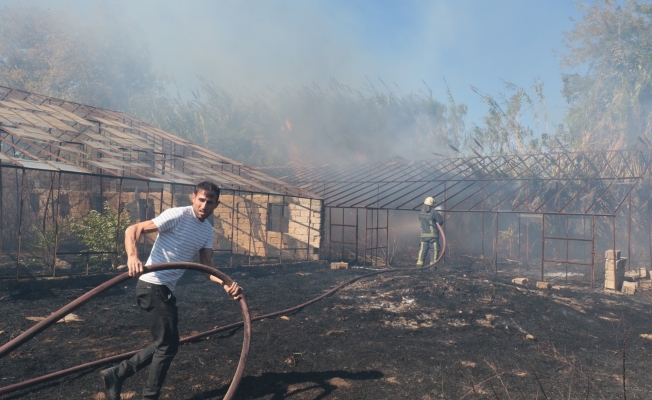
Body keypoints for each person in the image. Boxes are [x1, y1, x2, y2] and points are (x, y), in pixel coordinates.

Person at [100, 181, 242, 400]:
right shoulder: (177, 215)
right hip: (152, 284)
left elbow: (207, 268)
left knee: (166, 343)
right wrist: (132, 256)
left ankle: (116, 374)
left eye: (210, 202)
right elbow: (133, 229)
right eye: (201, 199)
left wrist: (226, 284)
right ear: (193, 197)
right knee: (167, 345)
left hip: (164, 289)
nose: (204, 205)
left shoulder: (206, 230)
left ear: (216, 204)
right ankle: (145, 393)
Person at [416, 196, 444, 266]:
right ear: (432, 204)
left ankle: (419, 266)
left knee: (422, 250)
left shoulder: (420, 213)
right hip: (433, 236)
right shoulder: (434, 213)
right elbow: (440, 221)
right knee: (434, 251)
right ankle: (433, 267)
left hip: (423, 236)